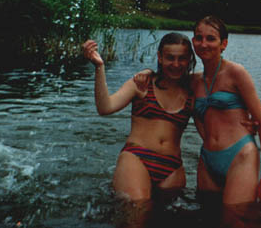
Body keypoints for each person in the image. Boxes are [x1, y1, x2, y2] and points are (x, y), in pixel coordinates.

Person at [82, 32, 196, 201]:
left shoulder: (193, 90)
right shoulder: (142, 84)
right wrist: (99, 67)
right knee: (137, 211)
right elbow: (105, 107)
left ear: (189, 59)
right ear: (160, 57)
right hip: (137, 158)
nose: (176, 64)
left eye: (182, 59)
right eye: (170, 58)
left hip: (173, 166)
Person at [191, 16, 261, 205]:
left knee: (235, 217)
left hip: (240, 155)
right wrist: (146, 73)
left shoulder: (236, 73)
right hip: (207, 159)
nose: (203, 44)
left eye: (211, 38)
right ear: (193, 41)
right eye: (199, 38)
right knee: (206, 213)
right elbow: (165, 78)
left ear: (224, 44)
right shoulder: (194, 81)